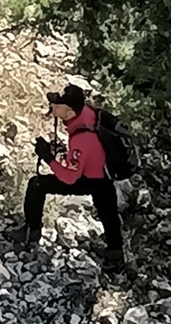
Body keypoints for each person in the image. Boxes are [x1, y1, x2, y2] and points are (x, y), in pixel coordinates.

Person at [13, 84, 124, 268]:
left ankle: (31, 232)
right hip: (103, 173)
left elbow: (70, 178)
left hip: (90, 179)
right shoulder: (86, 113)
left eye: (57, 105)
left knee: (37, 184)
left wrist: (48, 157)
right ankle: (115, 252)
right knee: (107, 209)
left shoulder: (82, 139)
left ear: (70, 111)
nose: (53, 107)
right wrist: (65, 155)